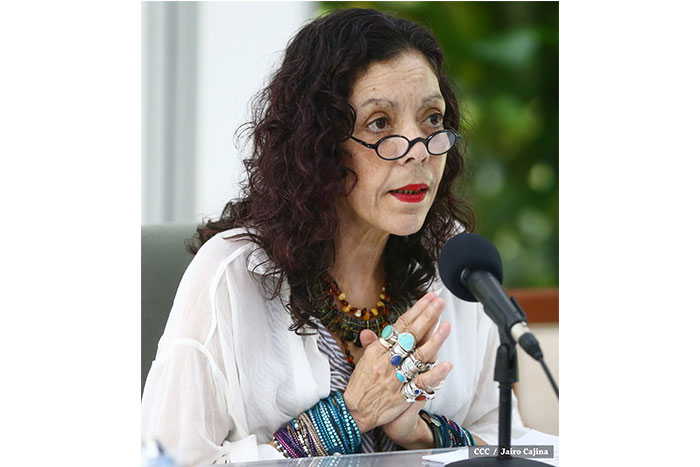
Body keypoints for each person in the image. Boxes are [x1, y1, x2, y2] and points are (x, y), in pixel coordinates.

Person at [141, 8, 528, 465]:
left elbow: (508, 444)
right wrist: (349, 416)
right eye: (380, 122)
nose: (419, 150)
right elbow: (168, 460)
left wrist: (422, 433)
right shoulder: (231, 276)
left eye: (431, 119)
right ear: (319, 144)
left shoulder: (453, 262)